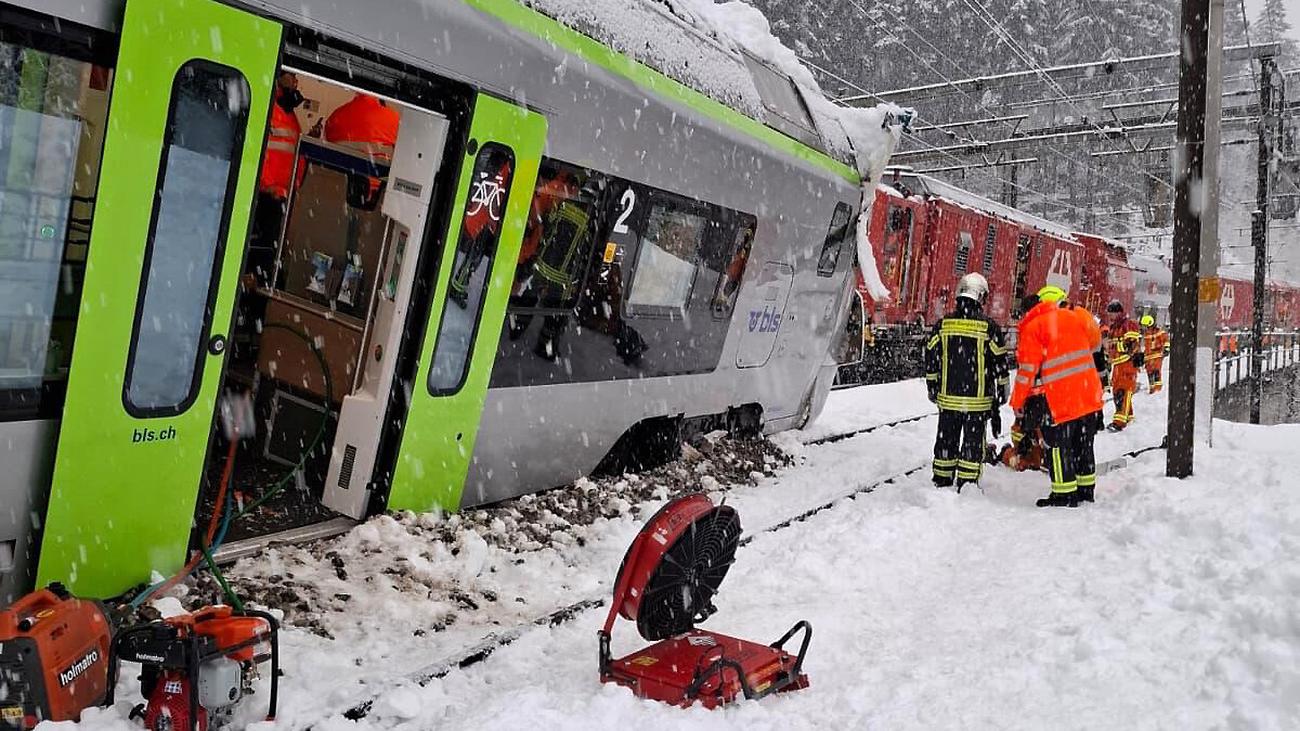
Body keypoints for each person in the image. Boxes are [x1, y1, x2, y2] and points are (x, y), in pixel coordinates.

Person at [1010, 285, 1105, 507]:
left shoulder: (1035, 327)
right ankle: (1085, 490)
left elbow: (1027, 372)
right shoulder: (1076, 318)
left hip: (1060, 400)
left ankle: (1064, 494)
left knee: (1057, 446)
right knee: (1084, 444)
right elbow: (1094, 346)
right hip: (1088, 394)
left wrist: (1017, 402)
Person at [923, 272, 1009, 491]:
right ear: (981, 297)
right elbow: (1000, 363)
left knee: (946, 440)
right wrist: (1002, 391)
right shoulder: (989, 328)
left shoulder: (943, 325)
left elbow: (931, 358)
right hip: (977, 402)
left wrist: (932, 386)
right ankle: (967, 483)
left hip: (948, 398)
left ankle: (942, 478)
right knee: (972, 444)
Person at [1105, 300, 1144, 431]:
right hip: (1118, 363)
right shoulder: (1114, 327)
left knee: (1123, 391)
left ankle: (1119, 422)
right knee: (1118, 392)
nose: (1110, 316)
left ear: (1119, 313)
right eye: (1109, 313)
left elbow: (1131, 344)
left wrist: (1117, 347)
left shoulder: (1128, 324)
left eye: (1113, 313)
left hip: (1127, 363)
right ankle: (1128, 416)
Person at [1141, 314, 1169, 393]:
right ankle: (1152, 389)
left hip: (1157, 355)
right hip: (1148, 357)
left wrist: (1166, 348)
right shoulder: (1146, 334)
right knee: (1149, 372)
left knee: (1156, 371)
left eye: (1145, 326)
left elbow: (1166, 339)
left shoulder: (1158, 332)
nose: (1144, 328)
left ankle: (1158, 389)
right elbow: (1146, 346)